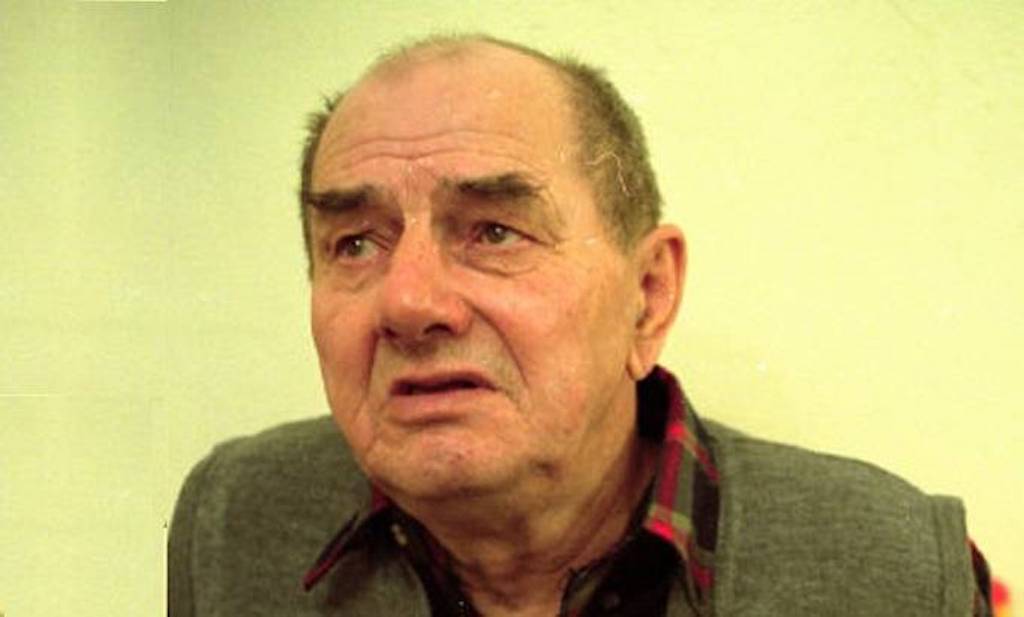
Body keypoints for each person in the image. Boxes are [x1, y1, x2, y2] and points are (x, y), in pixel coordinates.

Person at [167, 34, 991, 616]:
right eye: (354, 243)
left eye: (494, 231)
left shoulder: (893, 571)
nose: (409, 303)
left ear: (648, 296)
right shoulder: (234, 522)